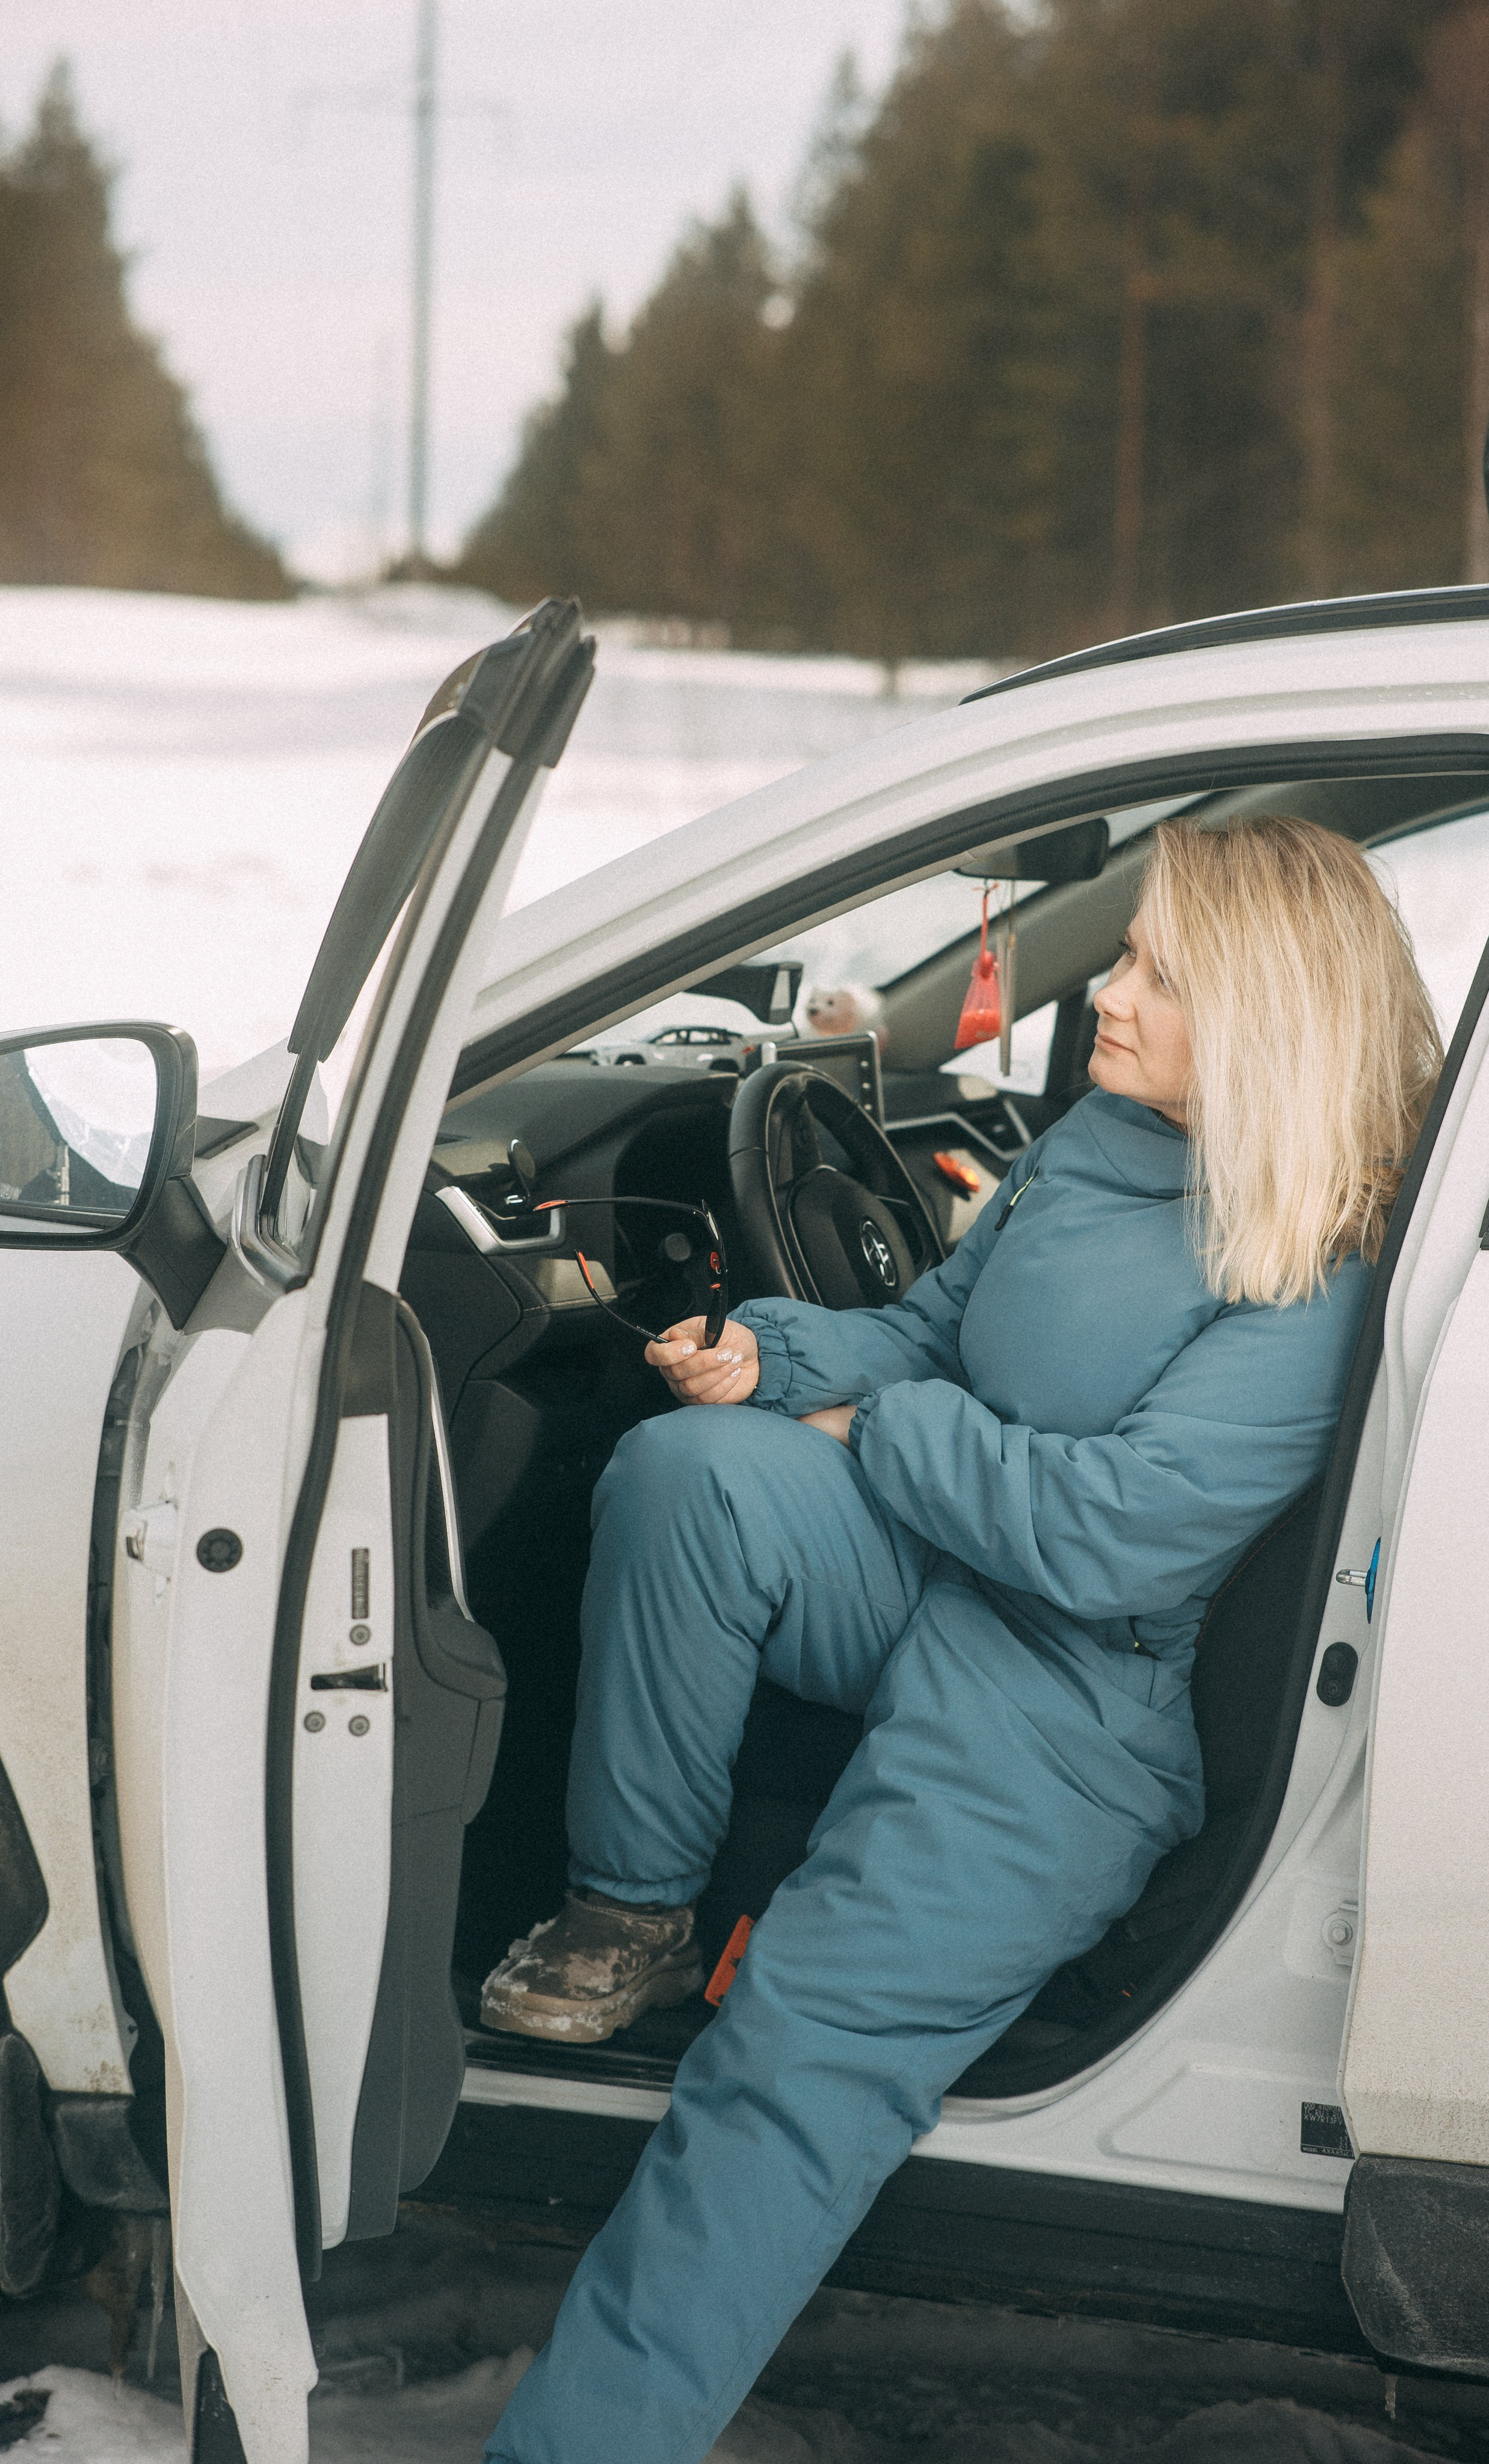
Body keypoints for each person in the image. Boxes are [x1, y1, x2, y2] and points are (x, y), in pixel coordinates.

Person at [479, 815, 1441, 2464]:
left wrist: (878, 1431)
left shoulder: (1319, 1262)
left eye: (1153, 971)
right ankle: (626, 1907)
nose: (1110, 998)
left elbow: (1105, 1535)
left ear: (1267, 1015)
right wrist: (769, 1361)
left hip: (1070, 1696)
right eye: (1121, 955)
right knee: (690, 1473)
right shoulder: (1090, 1150)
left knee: (784, 2067)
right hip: (923, 1564)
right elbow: (919, 1338)